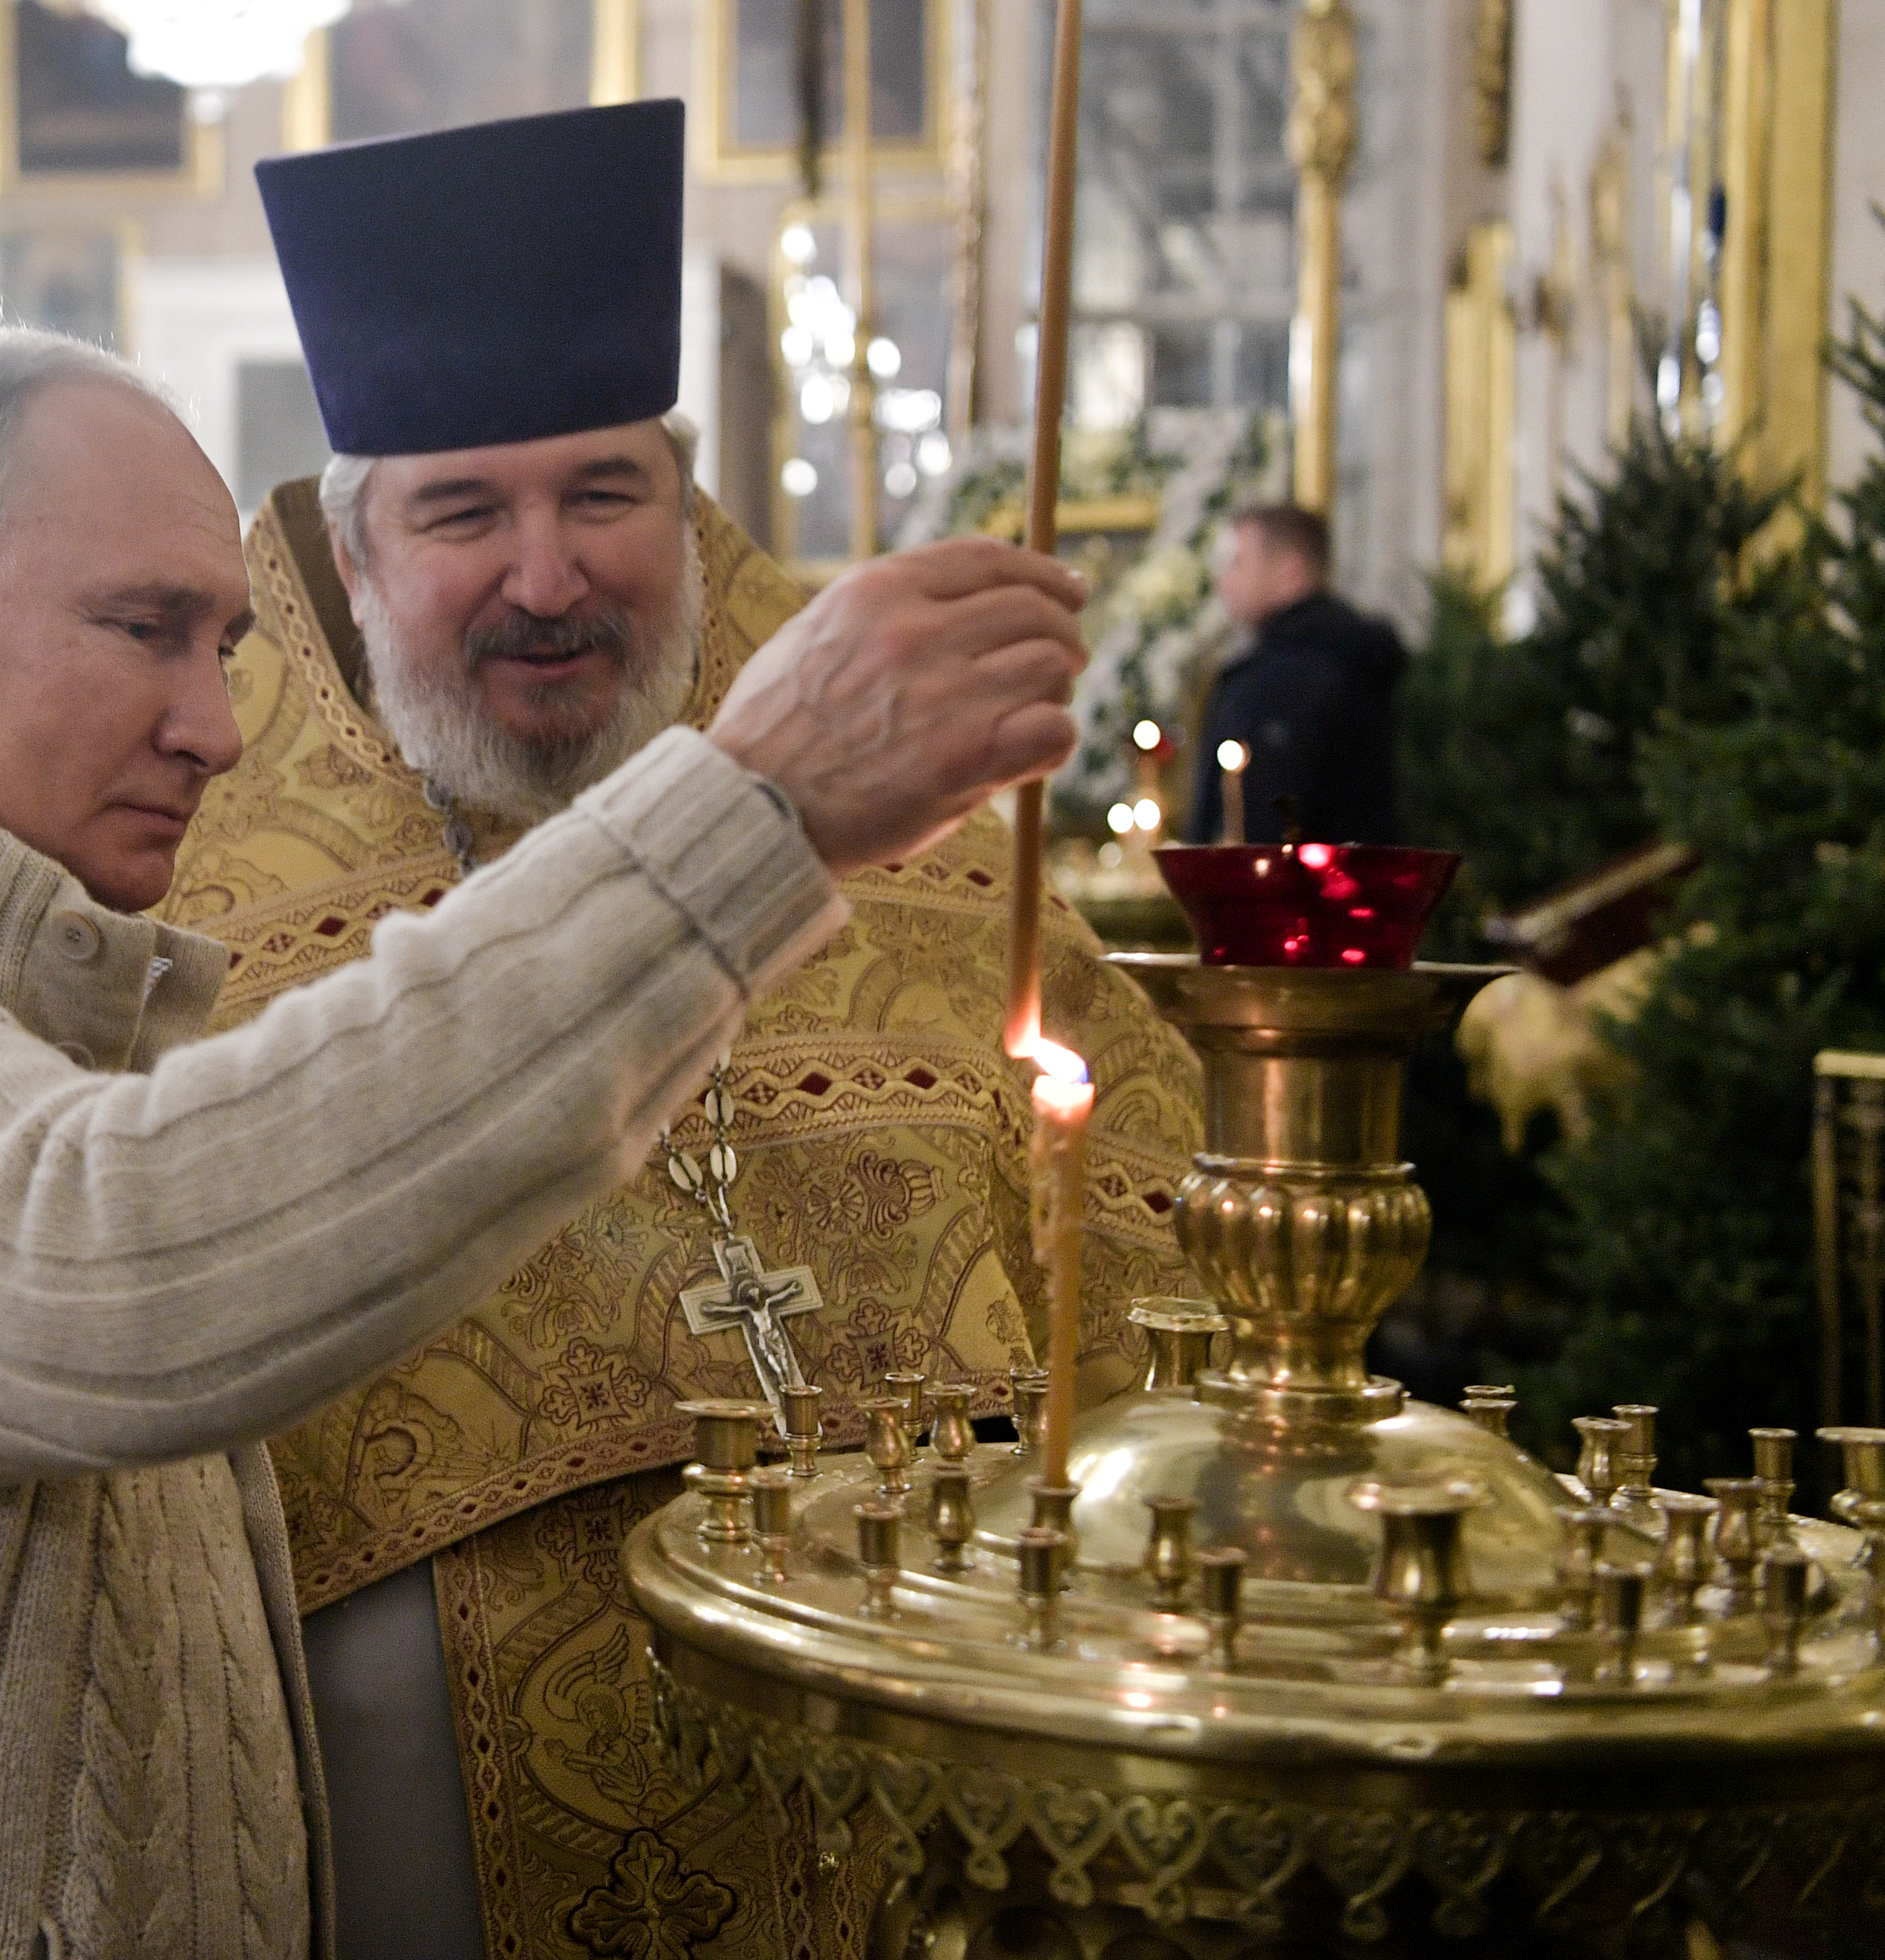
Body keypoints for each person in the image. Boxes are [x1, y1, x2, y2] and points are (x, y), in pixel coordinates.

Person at [0, 322, 1096, 1958]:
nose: (218, 726)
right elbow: (122, 1268)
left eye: (224, 646)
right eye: (143, 632)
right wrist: (747, 812)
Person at [146, 102, 1200, 1960]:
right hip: (412, 1794)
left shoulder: (899, 766)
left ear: (686, 493)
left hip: (923, 1753)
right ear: (355, 540)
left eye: (602, 497)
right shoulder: (192, 857)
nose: (546, 580)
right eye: (464, 512)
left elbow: (1133, 1198)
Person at [1189, 502, 1405, 846]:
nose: (1223, 581)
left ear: (1290, 572)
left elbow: (1263, 824)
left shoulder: (1279, 682)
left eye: (1238, 563)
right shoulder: (1361, 658)